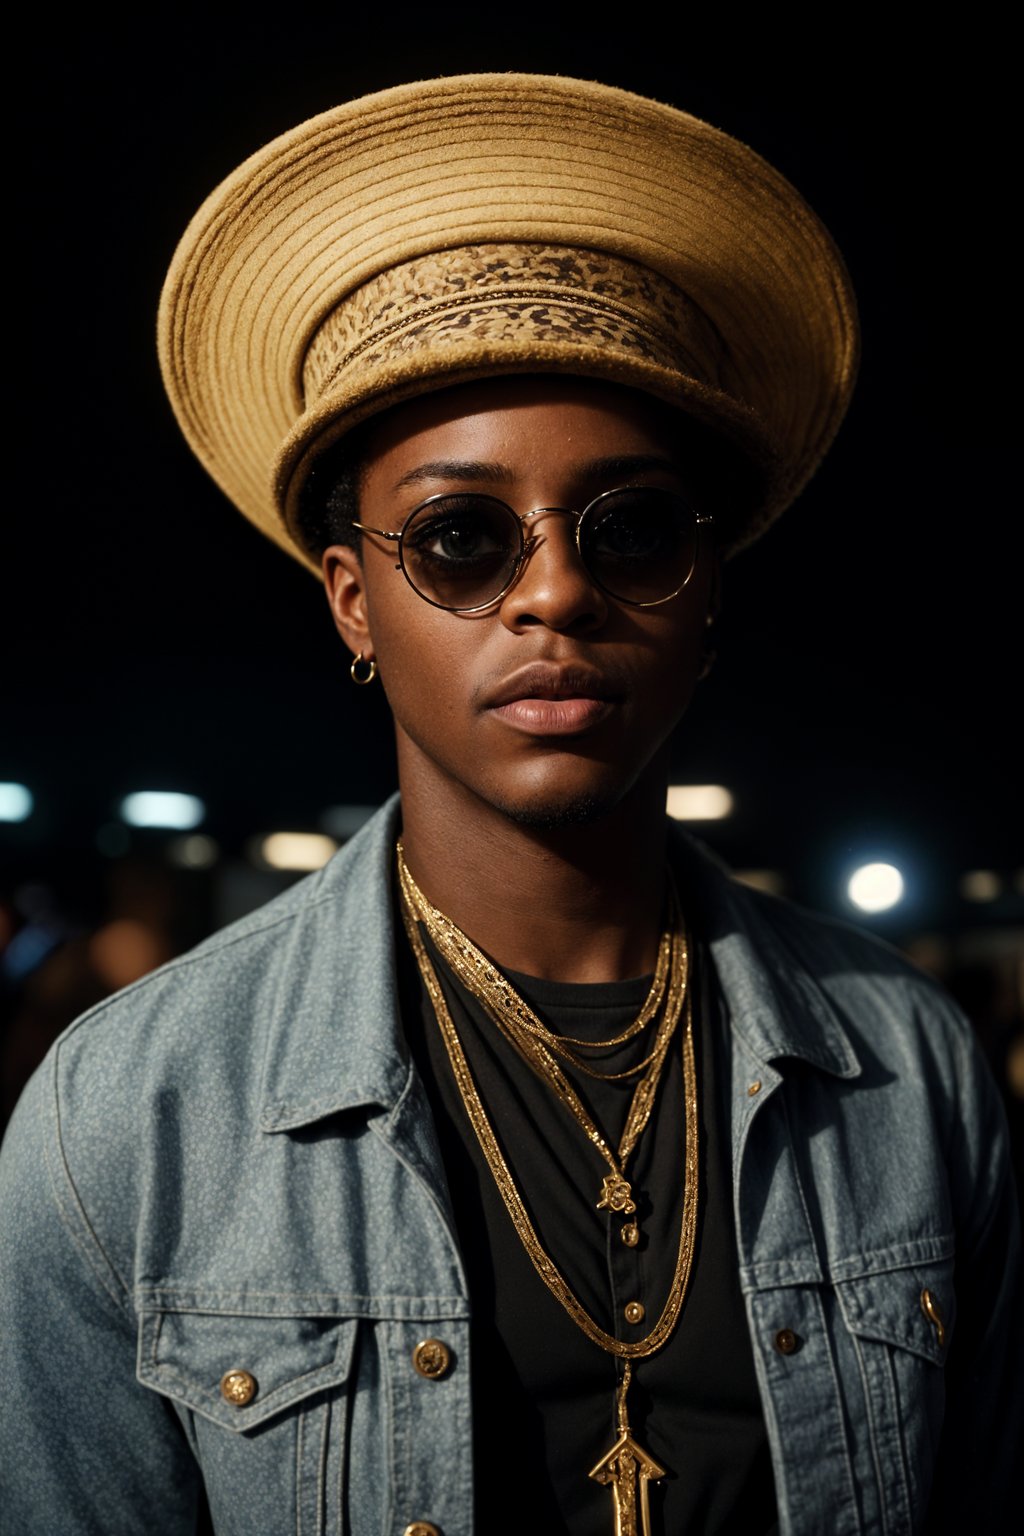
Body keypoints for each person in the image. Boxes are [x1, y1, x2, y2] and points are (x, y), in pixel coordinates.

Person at [1, 72, 1019, 1536]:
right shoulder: (131, 1121)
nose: (555, 591)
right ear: (352, 601)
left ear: (708, 584)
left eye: (635, 529)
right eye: (464, 539)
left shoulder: (911, 1077)